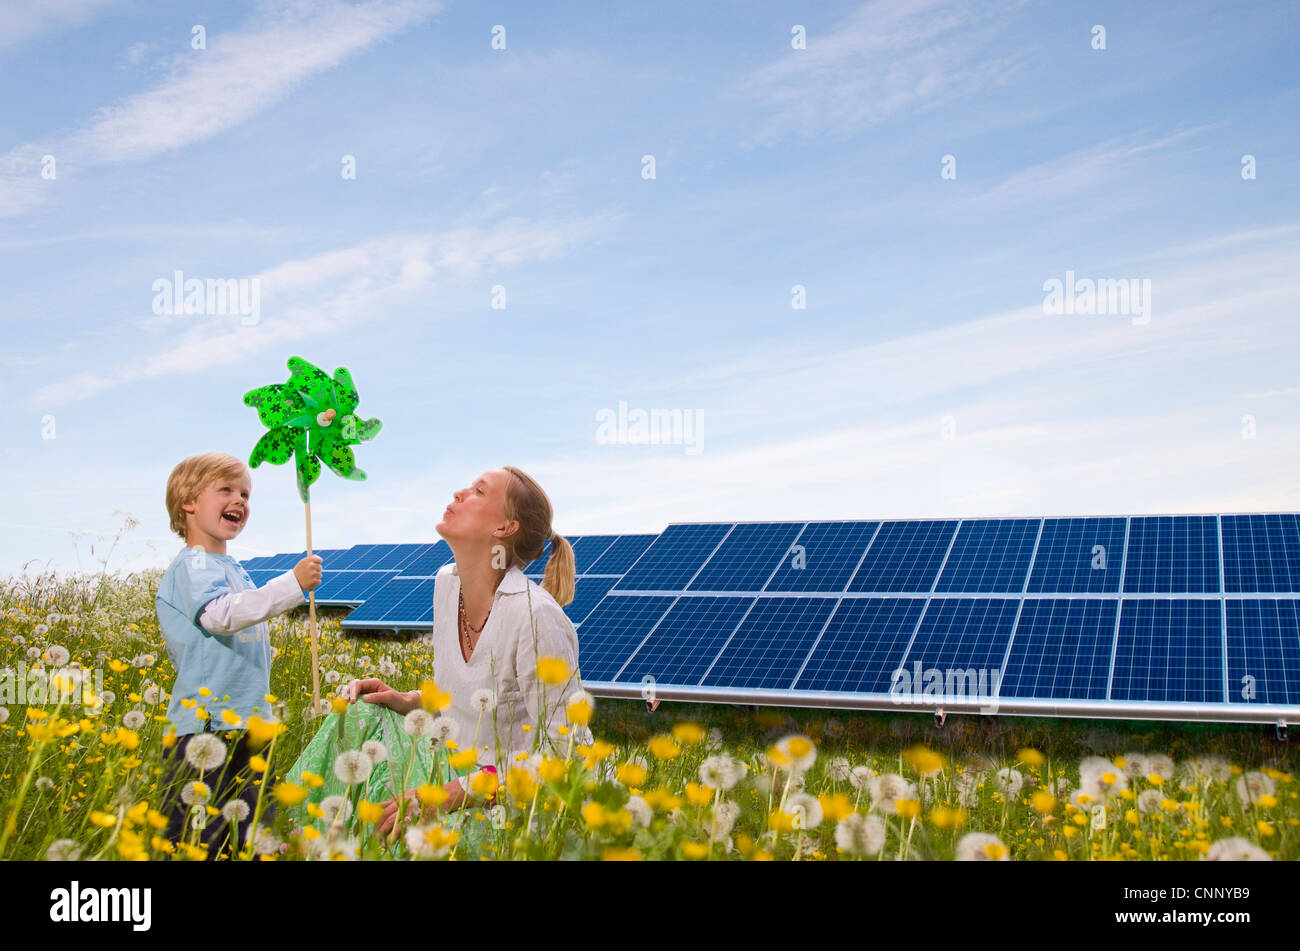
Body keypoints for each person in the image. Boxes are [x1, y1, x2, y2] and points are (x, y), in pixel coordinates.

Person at [285, 466, 587, 855]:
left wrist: (449, 794)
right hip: (446, 764)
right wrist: (409, 700)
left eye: (478, 491)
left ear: (504, 528)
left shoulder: (536, 618)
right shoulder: (447, 583)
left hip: (505, 801)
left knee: (417, 828)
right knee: (360, 713)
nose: (460, 492)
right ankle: (303, 840)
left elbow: (569, 754)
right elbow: (462, 700)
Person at [154, 452, 322, 858]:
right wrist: (290, 586)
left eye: (245, 493)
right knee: (197, 839)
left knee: (250, 836)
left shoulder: (231, 567)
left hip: (247, 724)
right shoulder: (193, 565)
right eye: (226, 490)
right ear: (188, 503)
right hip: (205, 724)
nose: (240, 500)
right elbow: (219, 616)